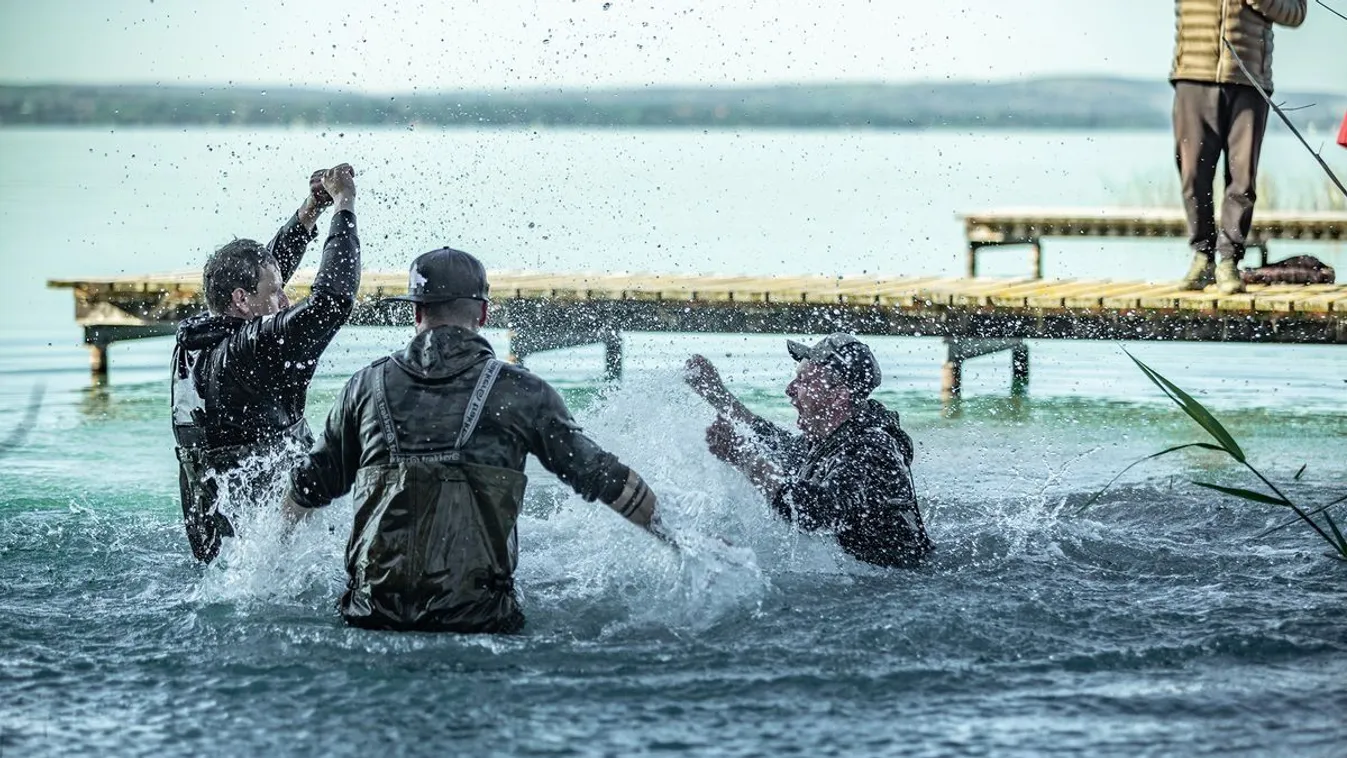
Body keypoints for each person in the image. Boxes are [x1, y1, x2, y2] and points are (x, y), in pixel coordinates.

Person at [282, 247, 665, 634]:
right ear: (482, 313)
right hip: (478, 621)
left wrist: (265, 560)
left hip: (370, 619)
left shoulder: (363, 387)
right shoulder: (523, 391)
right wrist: (681, 540)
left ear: (417, 313)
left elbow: (308, 486)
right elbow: (603, 476)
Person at [172, 164, 361, 563]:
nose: (285, 301)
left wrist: (309, 212)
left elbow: (266, 266)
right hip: (269, 549)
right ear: (241, 299)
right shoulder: (252, 350)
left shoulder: (194, 339)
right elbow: (332, 302)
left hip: (216, 546)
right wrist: (344, 205)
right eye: (277, 293)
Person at [685, 333, 931, 567]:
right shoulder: (832, 441)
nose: (790, 389)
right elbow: (775, 444)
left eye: (804, 381)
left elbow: (819, 511)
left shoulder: (872, 450)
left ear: (839, 395)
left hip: (890, 588)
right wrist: (716, 393)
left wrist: (745, 459)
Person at [1171, 0, 1306, 294]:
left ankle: (1229, 261)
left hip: (1249, 79)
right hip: (1193, 74)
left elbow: (1297, 13)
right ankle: (1202, 258)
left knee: (1242, 178)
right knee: (1193, 174)